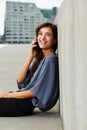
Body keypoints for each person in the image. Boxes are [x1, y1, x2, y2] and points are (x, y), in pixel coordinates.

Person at [0, 22, 59, 117]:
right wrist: (30, 56)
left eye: (48, 35)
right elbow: (21, 81)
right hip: (21, 100)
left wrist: (6, 95)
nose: (42, 38)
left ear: (55, 40)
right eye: (40, 34)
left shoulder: (50, 60)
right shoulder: (41, 59)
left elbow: (34, 92)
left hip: (24, 105)